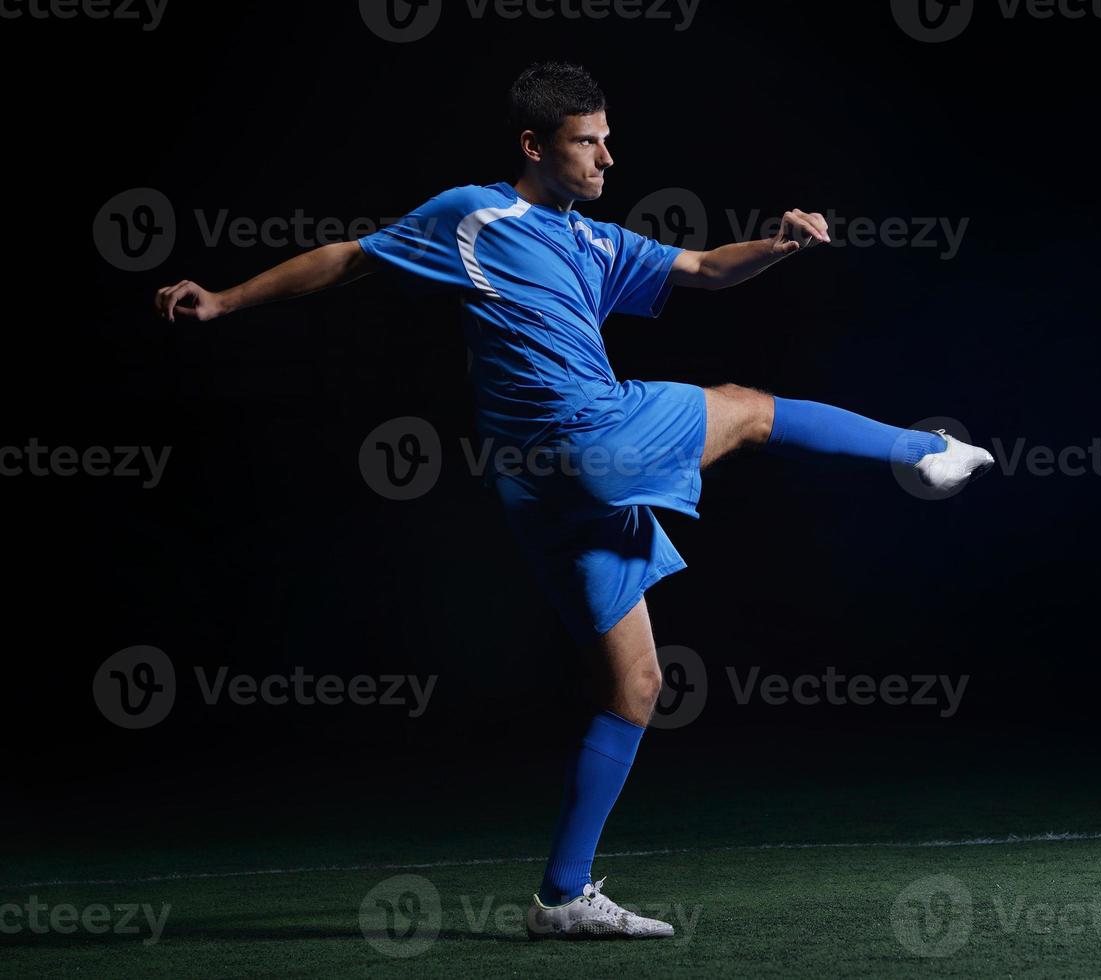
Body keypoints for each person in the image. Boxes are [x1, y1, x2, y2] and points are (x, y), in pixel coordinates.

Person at [152, 61, 993, 941]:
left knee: (634, 684)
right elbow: (350, 258)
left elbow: (704, 267)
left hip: (543, 489)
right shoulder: (474, 214)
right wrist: (223, 300)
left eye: (605, 139)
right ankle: (926, 451)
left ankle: (561, 898)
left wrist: (776, 244)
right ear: (534, 144)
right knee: (746, 408)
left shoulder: (593, 242)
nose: (605, 158)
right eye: (586, 141)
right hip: (581, 435)